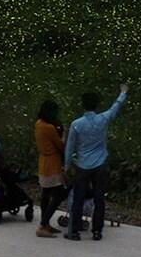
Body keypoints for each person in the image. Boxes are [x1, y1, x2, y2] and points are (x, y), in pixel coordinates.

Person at [63, 83, 128, 241]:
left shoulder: (76, 124)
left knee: (78, 198)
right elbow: (115, 108)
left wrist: (66, 165)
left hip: (82, 164)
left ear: (82, 104)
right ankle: (97, 231)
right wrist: (123, 93)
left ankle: (74, 231)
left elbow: (70, 147)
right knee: (99, 198)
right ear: (97, 105)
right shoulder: (103, 119)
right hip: (100, 163)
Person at [34, 99, 67, 238]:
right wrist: (65, 133)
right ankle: (43, 224)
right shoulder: (49, 128)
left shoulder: (38, 124)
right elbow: (61, 145)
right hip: (53, 164)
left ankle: (45, 224)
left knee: (46, 194)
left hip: (43, 162)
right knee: (59, 194)